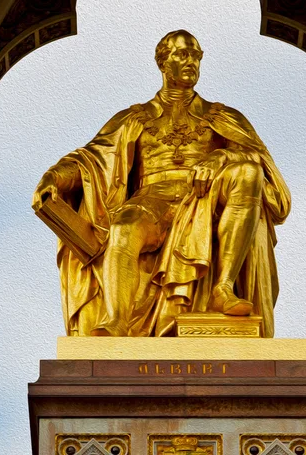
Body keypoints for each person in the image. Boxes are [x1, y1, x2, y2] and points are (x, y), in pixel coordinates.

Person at [32, 30, 291, 337]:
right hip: (151, 199)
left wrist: (221, 157)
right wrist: (54, 177)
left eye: (196, 55)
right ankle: (117, 319)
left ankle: (222, 287)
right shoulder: (135, 118)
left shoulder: (221, 116)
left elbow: (258, 160)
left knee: (248, 171)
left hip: (205, 200)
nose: (191, 62)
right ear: (162, 62)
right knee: (125, 227)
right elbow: (91, 158)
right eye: (182, 54)